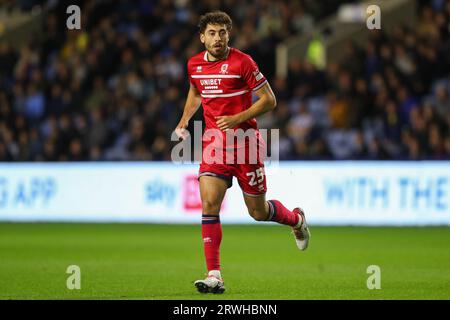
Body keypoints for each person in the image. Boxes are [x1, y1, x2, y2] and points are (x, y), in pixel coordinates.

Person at [175, 11, 311, 294]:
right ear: (202, 37)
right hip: (214, 144)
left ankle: (296, 220)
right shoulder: (194, 65)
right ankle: (214, 274)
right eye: (212, 33)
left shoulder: (243, 62)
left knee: (258, 212)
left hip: (246, 143)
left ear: (229, 34)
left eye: (222, 32)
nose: (217, 38)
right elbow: (196, 92)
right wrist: (184, 119)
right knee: (209, 204)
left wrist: (237, 119)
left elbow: (269, 100)